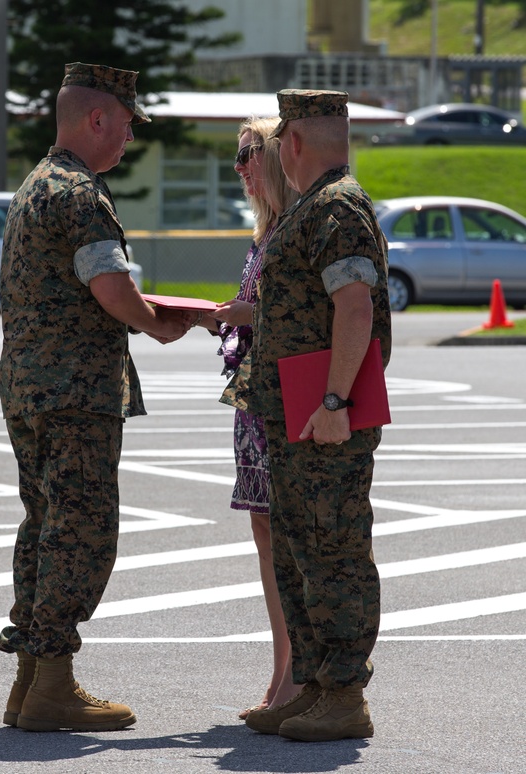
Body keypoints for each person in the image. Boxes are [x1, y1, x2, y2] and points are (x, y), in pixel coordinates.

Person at [0, 62, 194, 733]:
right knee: (80, 531)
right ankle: (51, 681)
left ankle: (30, 680)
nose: (131, 135)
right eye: (128, 121)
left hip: (31, 385)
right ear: (98, 118)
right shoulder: (80, 194)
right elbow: (110, 288)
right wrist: (162, 322)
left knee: (44, 525)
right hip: (74, 389)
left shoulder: (35, 185)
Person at [234, 90, 392, 742]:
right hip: (294, 411)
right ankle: (317, 685)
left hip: (325, 414)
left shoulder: (337, 209)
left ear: (292, 142)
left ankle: (344, 694)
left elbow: (354, 311)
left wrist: (334, 403)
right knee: (300, 550)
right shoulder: (315, 209)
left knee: (333, 551)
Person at [193, 115, 300, 719]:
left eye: (248, 155)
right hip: (255, 402)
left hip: (284, 402)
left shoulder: (294, 229)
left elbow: (295, 319)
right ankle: (282, 669)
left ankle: (292, 679)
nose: (239, 168)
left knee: (283, 537)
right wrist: (231, 315)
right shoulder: (264, 234)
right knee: (265, 533)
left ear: (278, 159)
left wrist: (243, 313)